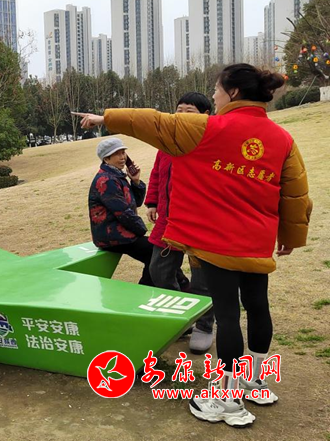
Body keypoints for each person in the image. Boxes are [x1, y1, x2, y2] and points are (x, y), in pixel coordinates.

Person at [78, 64, 312, 428]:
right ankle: (255, 382)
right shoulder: (282, 138)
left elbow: (153, 122)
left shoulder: (206, 128)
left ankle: (226, 400)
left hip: (217, 242)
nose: (214, 97)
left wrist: (104, 118)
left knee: (228, 316)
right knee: (257, 306)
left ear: (233, 93)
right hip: (256, 244)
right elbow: (296, 194)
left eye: (216, 90)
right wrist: (291, 238)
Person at [145, 92, 215, 354]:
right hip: (168, 220)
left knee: (203, 279)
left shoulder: (211, 142)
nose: (182, 115)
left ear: (205, 115)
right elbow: (157, 174)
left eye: (190, 111)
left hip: (200, 223)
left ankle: (204, 325)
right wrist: (152, 202)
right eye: (179, 109)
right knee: (159, 270)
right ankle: (181, 318)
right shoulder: (167, 141)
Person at [88, 138, 153, 286]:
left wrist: (136, 181)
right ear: (106, 158)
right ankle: (145, 289)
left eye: (123, 152)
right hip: (112, 236)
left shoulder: (116, 175)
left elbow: (135, 203)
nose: (122, 157)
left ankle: (175, 285)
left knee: (157, 253)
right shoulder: (107, 180)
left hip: (119, 233)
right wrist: (141, 230)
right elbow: (123, 212)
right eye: (117, 154)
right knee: (156, 252)